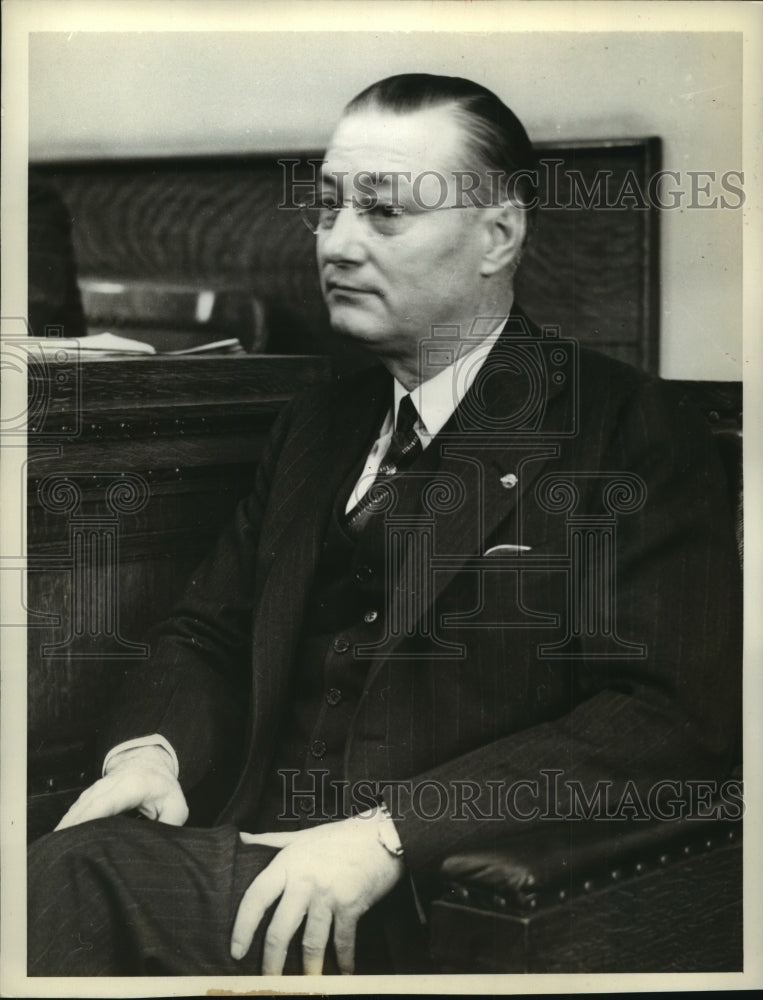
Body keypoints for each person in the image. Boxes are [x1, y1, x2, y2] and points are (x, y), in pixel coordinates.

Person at [27, 73, 741, 977]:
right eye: (327, 207)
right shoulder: (317, 424)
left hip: (435, 898)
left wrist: (392, 833)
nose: (338, 243)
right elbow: (208, 630)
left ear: (498, 236)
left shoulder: (627, 428)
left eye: (384, 212)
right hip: (243, 848)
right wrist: (150, 756)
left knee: (74, 877)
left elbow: (666, 717)